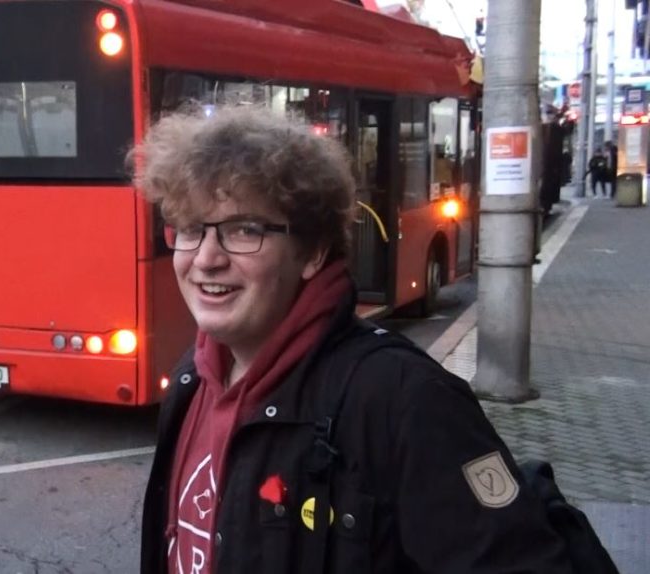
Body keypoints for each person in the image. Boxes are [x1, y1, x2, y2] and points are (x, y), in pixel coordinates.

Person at [131, 107, 571, 573]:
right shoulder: (190, 380)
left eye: (244, 230)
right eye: (192, 230)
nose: (206, 258)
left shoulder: (402, 400)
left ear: (312, 252)